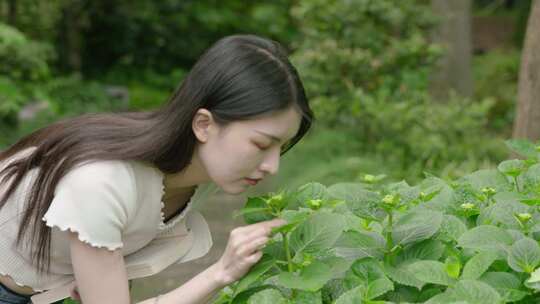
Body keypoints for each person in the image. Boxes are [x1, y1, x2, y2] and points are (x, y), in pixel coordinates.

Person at [0, 34, 313, 304]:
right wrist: (221, 272)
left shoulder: (195, 171)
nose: (272, 166)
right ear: (204, 124)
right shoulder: (102, 183)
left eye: (281, 147)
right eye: (261, 144)